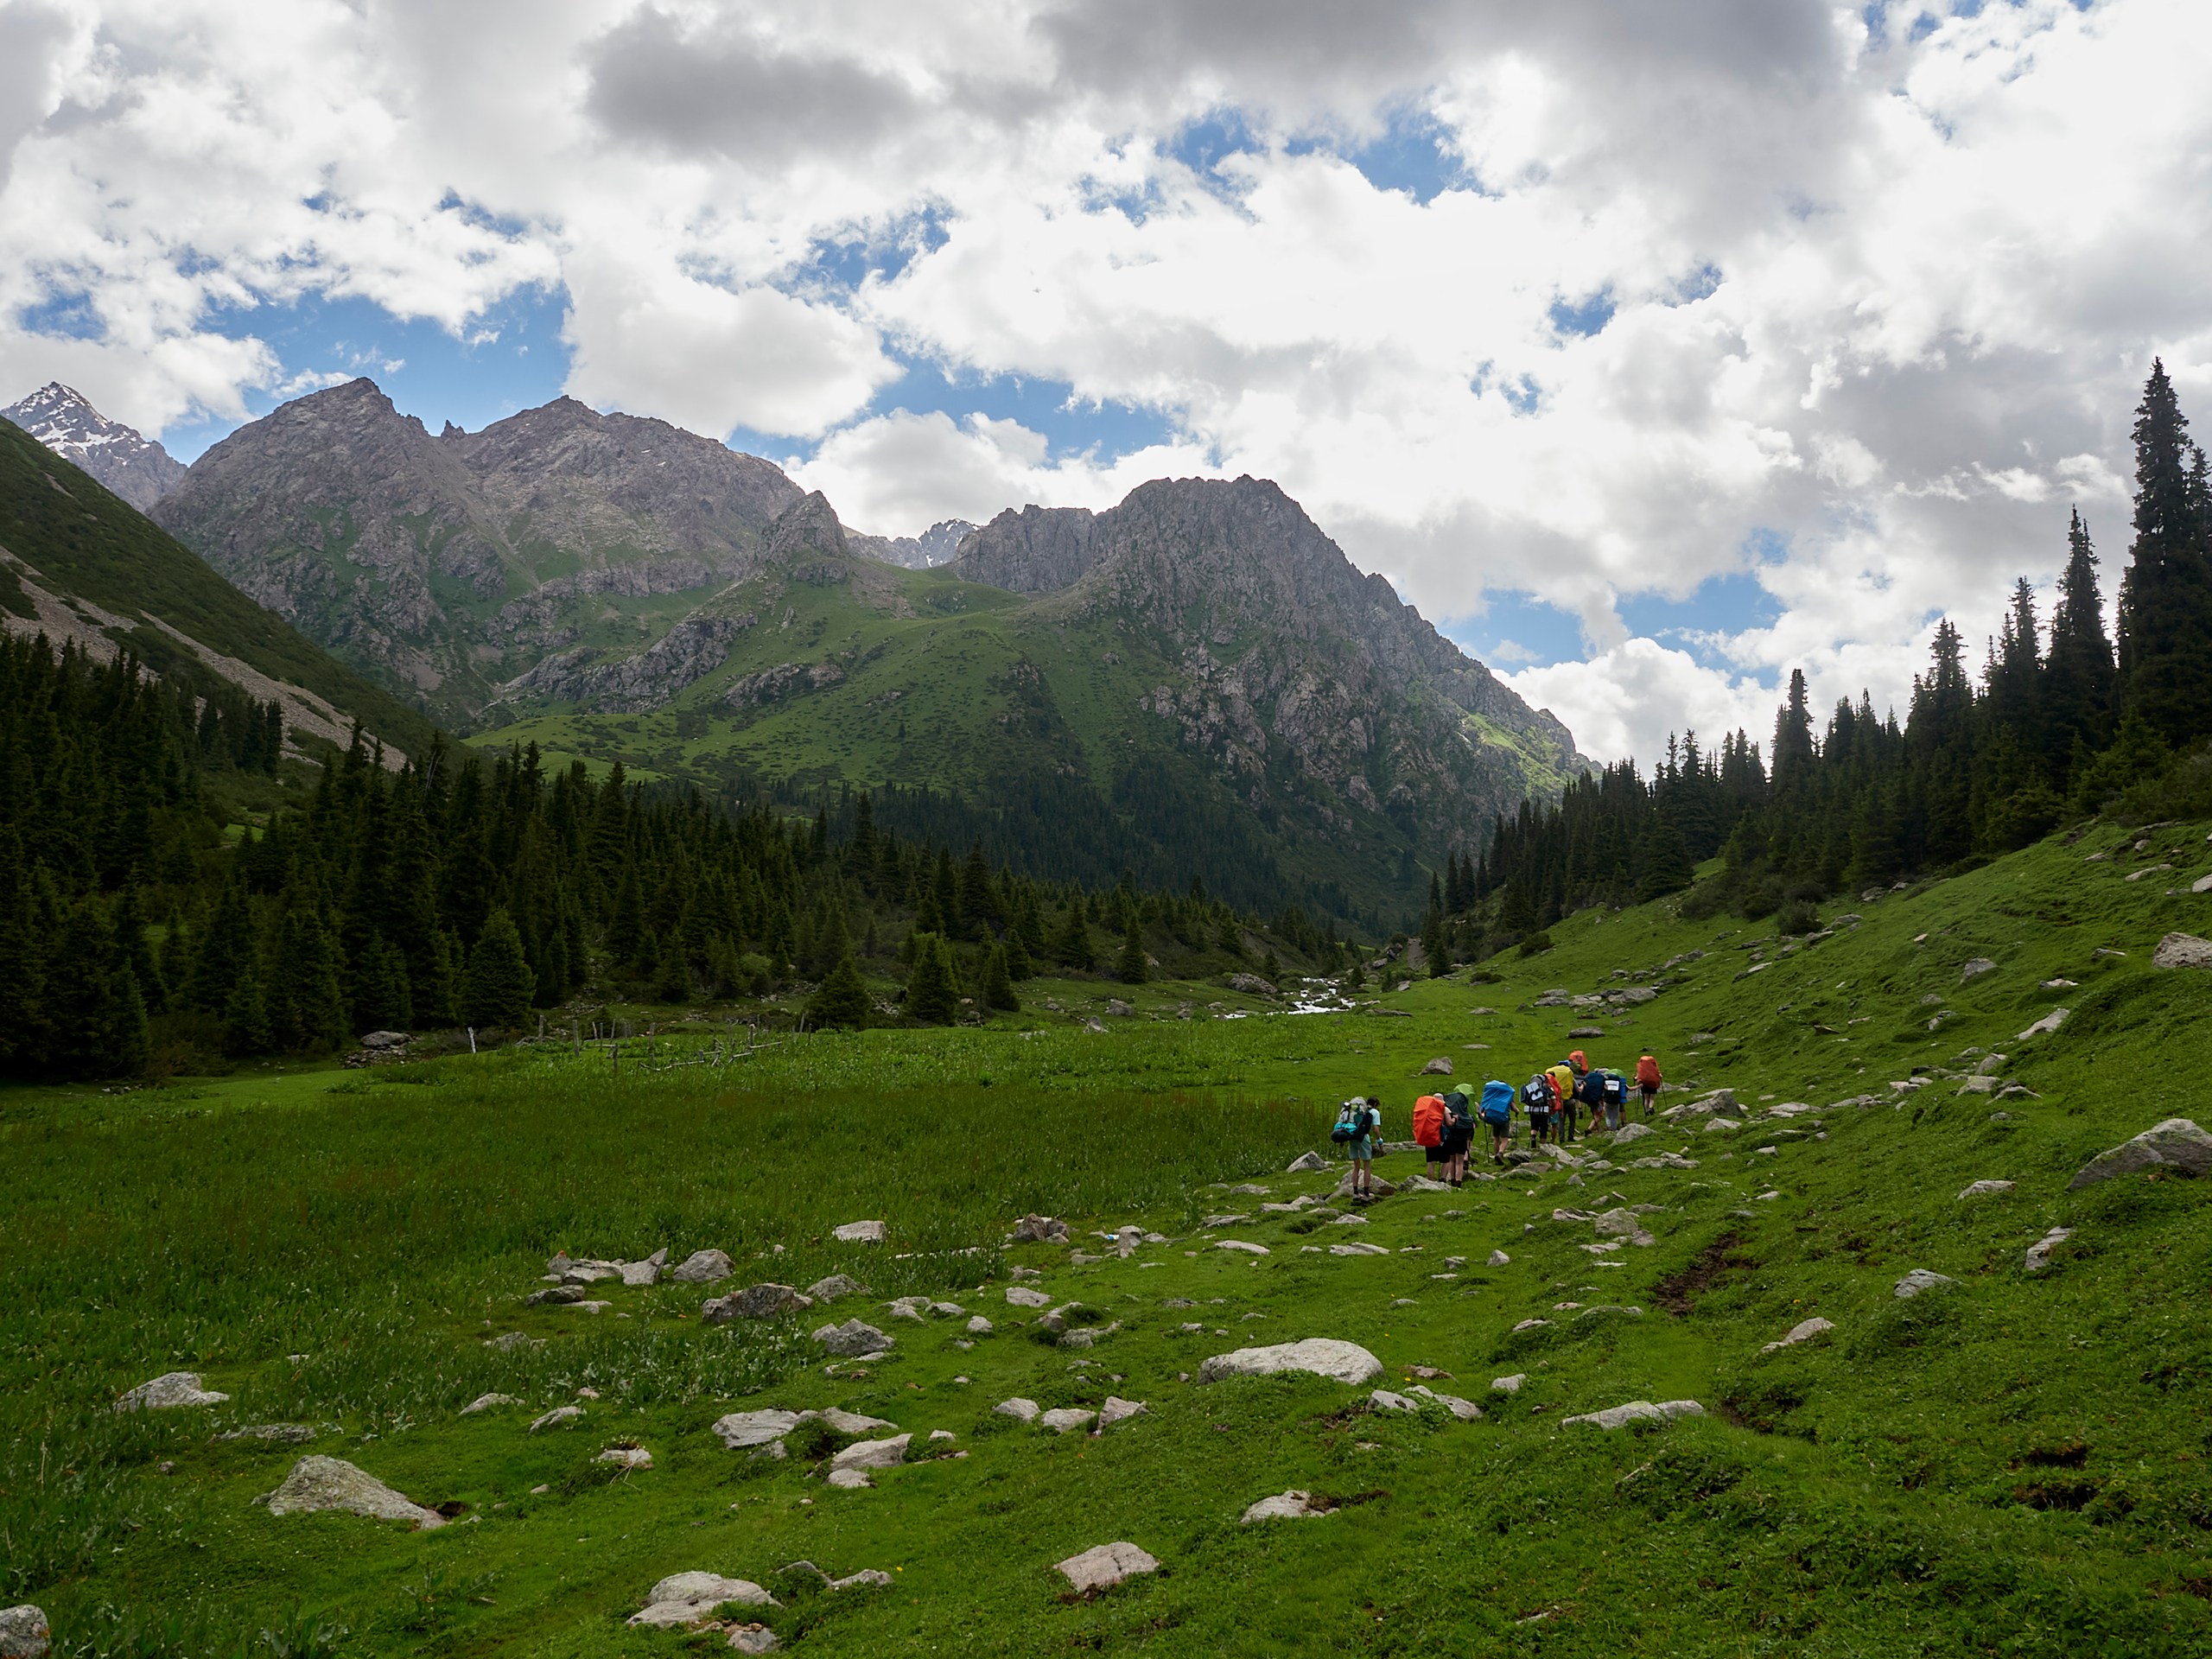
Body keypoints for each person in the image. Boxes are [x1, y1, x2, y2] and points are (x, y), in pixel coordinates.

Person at [1342, 1096, 1382, 1202]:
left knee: (1356, 1166)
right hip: (1363, 1137)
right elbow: (1375, 1129)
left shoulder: (1355, 1111)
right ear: (1375, 1104)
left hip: (1352, 1136)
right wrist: (1379, 1141)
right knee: (1367, 1165)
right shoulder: (1374, 1112)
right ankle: (1366, 1193)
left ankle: (1355, 1193)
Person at [1441, 1086, 1476, 1185]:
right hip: (1462, 1138)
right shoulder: (1466, 1118)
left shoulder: (1449, 1114)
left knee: (1451, 1159)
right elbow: (1471, 1130)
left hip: (1451, 1137)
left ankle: (1452, 1179)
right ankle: (1458, 1180)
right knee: (1460, 1161)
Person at [1479, 1078, 1516, 1164]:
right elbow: (1514, 1108)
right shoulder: (1507, 1095)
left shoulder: (1493, 1095)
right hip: (1504, 1119)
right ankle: (1500, 1153)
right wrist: (1517, 1111)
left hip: (1494, 1119)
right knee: (1504, 1139)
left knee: (1496, 1138)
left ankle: (1496, 1155)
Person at [1412, 1090, 1447, 1179]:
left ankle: (1430, 1181)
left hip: (1429, 1136)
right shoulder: (1443, 1109)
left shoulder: (1426, 1110)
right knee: (1445, 1160)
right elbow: (1448, 1122)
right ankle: (1442, 1179)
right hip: (1441, 1137)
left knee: (1431, 1162)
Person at [1548, 1055, 1581, 1143]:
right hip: (1569, 1100)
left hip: (1558, 1101)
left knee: (1561, 1121)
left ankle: (1561, 1139)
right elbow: (1577, 1089)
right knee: (1572, 1120)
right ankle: (1571, 1137)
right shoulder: (1569, 1075)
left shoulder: (1553, 1075)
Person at [1521, 1071, 1555, 1145]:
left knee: (1534, 1126)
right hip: (1543, 1111)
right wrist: (1552, 1106)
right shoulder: (1546, 1088)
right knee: (1543, 1128)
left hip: (1533, 1110)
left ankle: (1533, 1137)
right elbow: (1554, 1100)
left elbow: (1525, 1099)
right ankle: (1543, 1145)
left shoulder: (1530, 1088)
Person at [1636, 1052, 1662, 1118]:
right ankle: (1650, 1108)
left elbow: (1638, 1077)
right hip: (1653, 1083)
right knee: (1652, 1099)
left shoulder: (1641, 1069)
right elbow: (1659, 1075)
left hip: (1644, 1084)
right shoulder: (1654, 1068)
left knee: (1646, 1099)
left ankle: (1646, 1110)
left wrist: (1636, 1079)